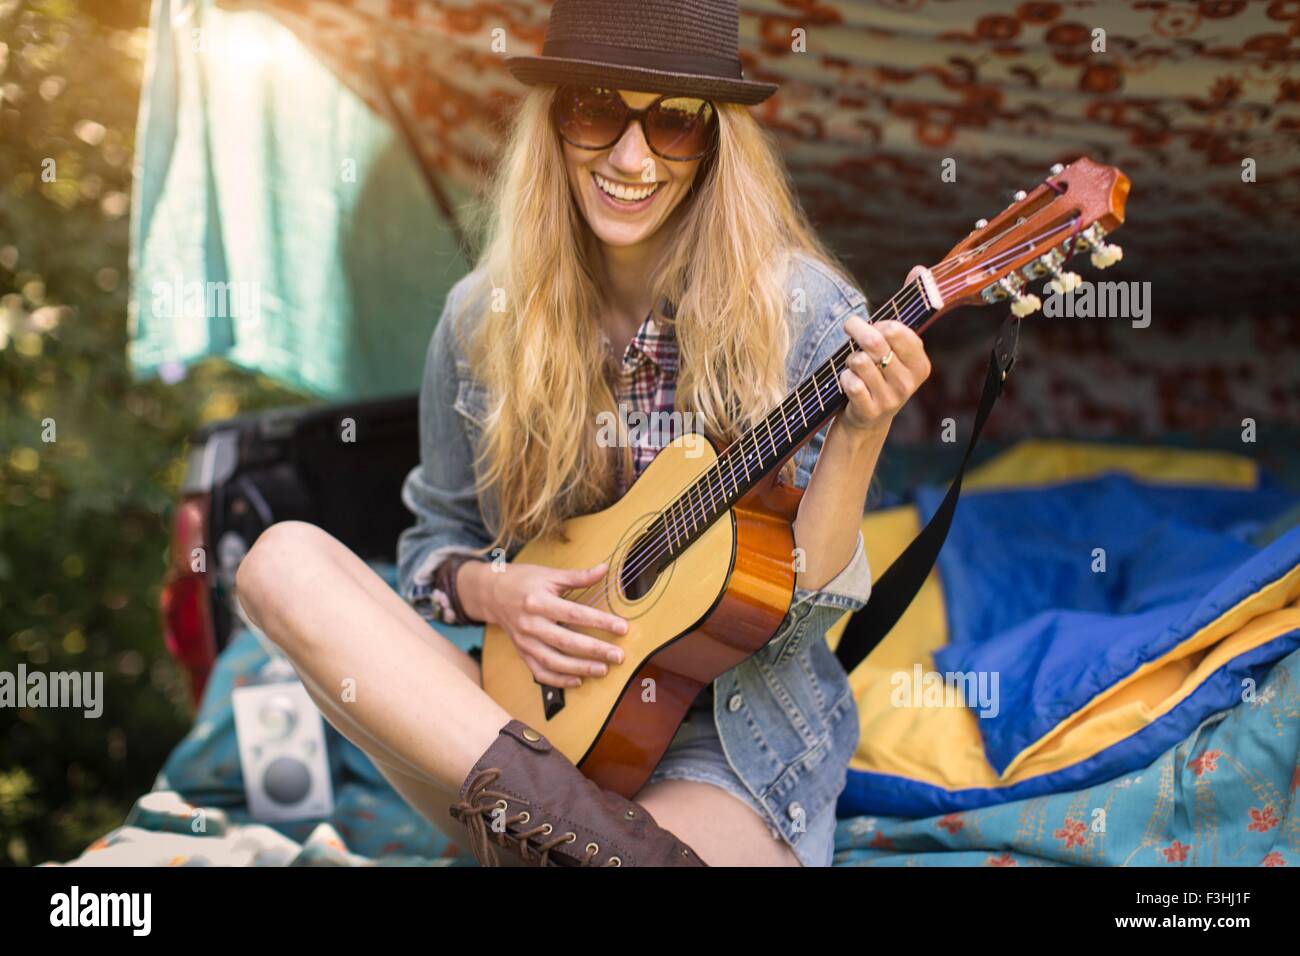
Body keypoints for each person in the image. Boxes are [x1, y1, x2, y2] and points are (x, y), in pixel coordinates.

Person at [235, 0, 930, 867]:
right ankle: (585, 843)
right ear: (555, 123)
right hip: (519, 735)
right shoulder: (477, 321)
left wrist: (863, 436)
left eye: (673, 123)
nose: (631, 158)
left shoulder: (805, 313)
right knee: (280, 561)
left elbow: (806, 614)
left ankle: (559, 846)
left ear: (715, 144)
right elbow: (434, 546)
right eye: (597, 108)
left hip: (726, 750)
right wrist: (498, 594)